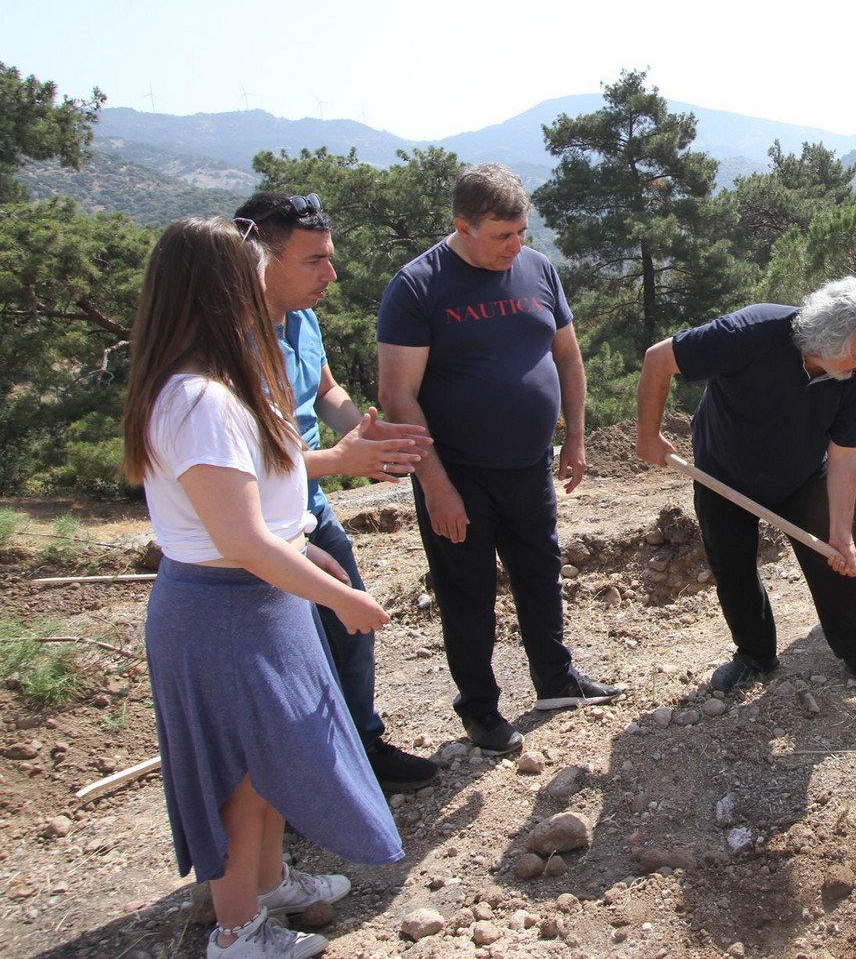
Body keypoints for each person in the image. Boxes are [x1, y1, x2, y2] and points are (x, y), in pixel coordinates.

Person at [122, 218, 402, 959]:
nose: (263, 282)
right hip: (224, 611)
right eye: (250, 270)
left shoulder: (222, 382)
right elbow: (239, 539)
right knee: (244, 779)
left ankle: (270, 882)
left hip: (259, 598)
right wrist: (336, 595)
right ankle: (238, 932)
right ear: (218, 289)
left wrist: (315, 531)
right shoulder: (198, 399)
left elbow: (264, 489)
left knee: (275, 759)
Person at [377, 164, 620, 757]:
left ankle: (555, 679)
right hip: (457, 472)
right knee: (468, 592)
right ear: (463, 226)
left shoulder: (537, 269)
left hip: (529, 464)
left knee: (541, 570)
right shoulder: (419, 286)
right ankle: (480, 710)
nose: (516, 247)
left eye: (522, 233)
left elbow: (567, 357)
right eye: (502, 236)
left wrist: (576, 437)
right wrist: (435, 485)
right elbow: (397, 395)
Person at [234, 191, 440, 795]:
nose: (332, 273)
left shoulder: (302, 318)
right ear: (258, 258)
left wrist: (364, 431)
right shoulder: (231, 345)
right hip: (263, 528)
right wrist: (344, 459)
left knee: (349, 629)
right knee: (288, 660)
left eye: (330, 257)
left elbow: (323, 389)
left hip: (311, 512)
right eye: (314, 261)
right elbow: (249, 464)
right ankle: (293, 786)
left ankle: (361, 748)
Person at [635, 277, 856, 692]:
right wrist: (649, 434)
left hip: (800, 472)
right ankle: (755, 655)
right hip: (722, 470)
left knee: (834, 557)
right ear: (827, 339)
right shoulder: (751, 332)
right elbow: (658, 359)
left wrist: (840, 533)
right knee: (733, 565)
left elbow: (846, 454)